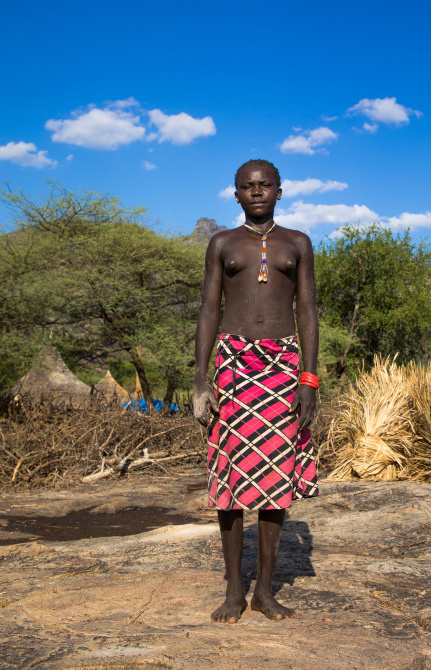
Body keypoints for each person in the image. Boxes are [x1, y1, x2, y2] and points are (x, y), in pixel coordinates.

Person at [194, 159, 319, 624]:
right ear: (236, 195)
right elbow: (209, 309)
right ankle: (233, 591)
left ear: (280, 191)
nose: (257, 191)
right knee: (229, 481)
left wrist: (308, 379)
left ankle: (265, 591)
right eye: (247, 186)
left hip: (284, 369)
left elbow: (307, 312)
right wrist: (200, 380)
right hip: (232, 365)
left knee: (275, 480)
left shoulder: (298, 243)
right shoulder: (222, 243)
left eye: (265, 184)